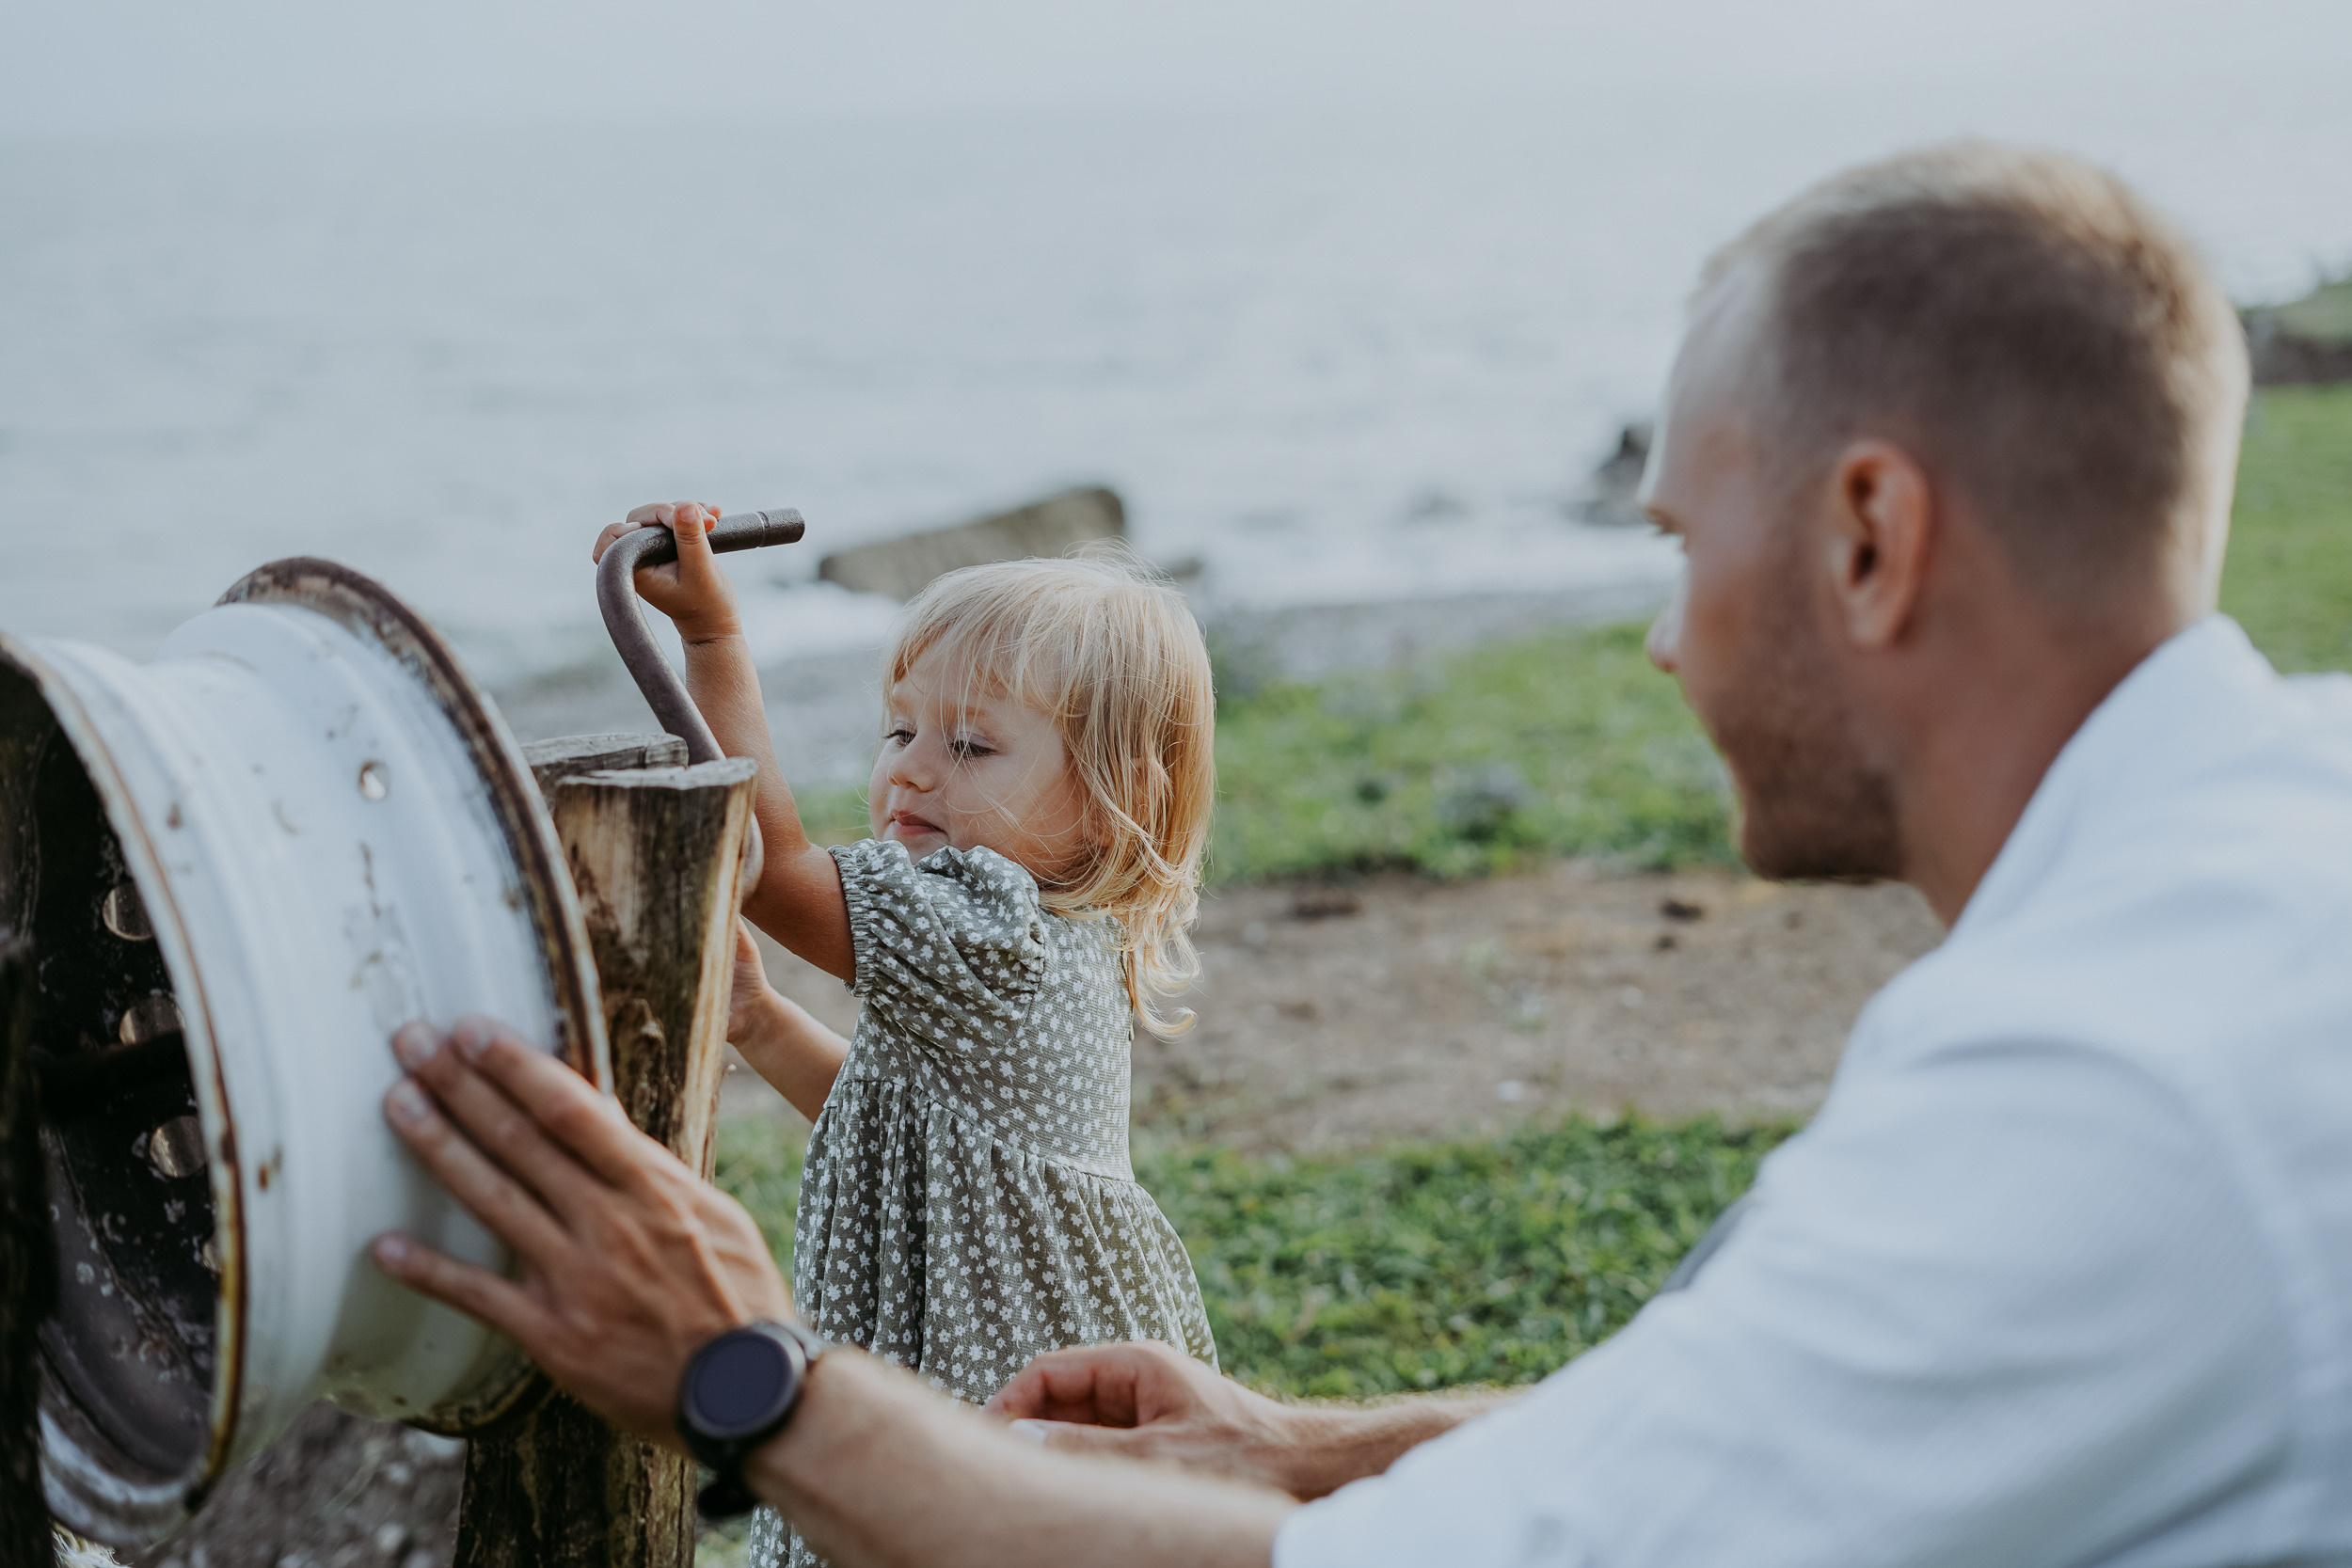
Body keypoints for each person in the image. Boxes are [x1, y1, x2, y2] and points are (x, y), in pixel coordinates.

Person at [373, 140, 2352, 1565]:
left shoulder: (2097, 1088)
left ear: (1864, 535)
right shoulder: (2260, 862)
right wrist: (1304, 1432)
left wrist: (739, 1373)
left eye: (1676, 542)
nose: (1664, 634)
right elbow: (1736, 1406)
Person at [577, 525, 1222, 1564]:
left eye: (969, 745)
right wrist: (758, 1018)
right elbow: (910, 1114)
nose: (912, 772)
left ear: (1118, 802)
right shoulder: (1050, 930)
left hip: (993, 1361)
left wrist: (712, 633)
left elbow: (769, 863)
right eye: (898, 732)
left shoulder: (995, 931)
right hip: (992, 1334)